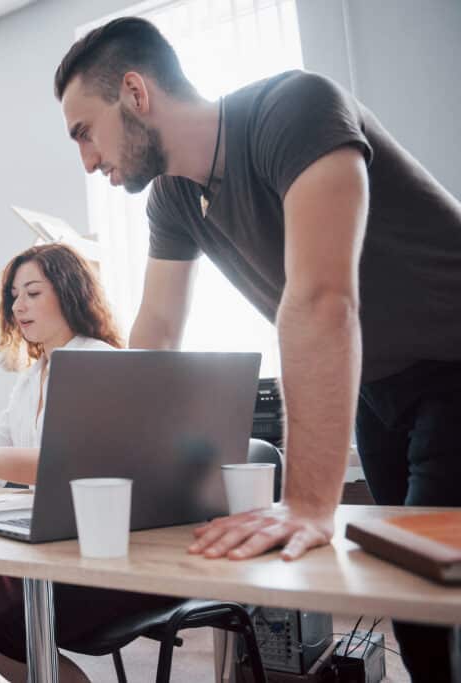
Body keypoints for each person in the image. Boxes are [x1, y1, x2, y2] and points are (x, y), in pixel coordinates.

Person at [54, 16, 461, 680]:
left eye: (84, 132)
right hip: (379, 389)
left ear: (134, 92)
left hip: (453, 363)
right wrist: (114, 482)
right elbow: (154, 332)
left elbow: (322, 299)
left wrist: (306, 502)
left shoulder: (295, 109)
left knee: (438, 592)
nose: (88, 158)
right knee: (408, 597)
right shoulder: (174, 201)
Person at [0, 243, 177, 682]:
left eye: (33, 293)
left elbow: (77, 464)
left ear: (69, 291)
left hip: (108, 553)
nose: (19, 306)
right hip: (57, 544)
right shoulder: (30, 378)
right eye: (14, 296)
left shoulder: (100, 361)